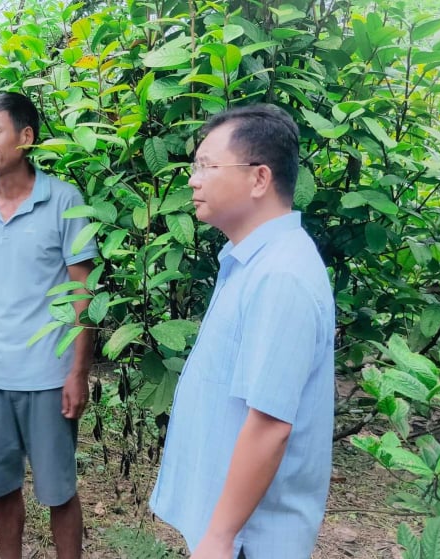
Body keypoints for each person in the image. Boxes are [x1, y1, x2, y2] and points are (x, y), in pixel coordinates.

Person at [149, 104, 335, 559]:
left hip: (249, 539)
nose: (193, 180)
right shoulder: (251, 261)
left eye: (207, 166)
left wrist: (218, 538)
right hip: (234, 532)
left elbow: (270, 425)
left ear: (259, 179)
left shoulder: (281, 276)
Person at [0, 92, 98, 559]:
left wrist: (78, 372)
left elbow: (82, 291)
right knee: (1, 485)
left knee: (57, 490)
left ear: (26, 137)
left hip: (48, 375)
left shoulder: (63, 200)